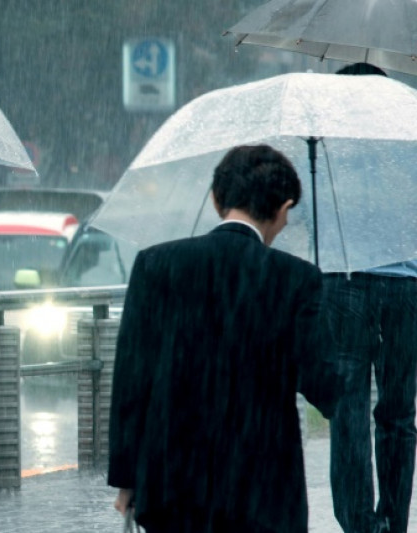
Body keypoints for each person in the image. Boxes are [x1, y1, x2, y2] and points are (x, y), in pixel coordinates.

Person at [107, 144, 342, 533]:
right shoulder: (295, 278)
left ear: (217, 200)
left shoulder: (156, 264)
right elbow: (324, 387)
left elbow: (132, 382)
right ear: (283, 209)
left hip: (173, 484)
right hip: (263, 490)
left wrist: (127, 478)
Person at [325, 62, 417, 533]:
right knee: (399, 413)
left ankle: (361, 523)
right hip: (407, 288)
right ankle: (394, 521)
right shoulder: (410, 143)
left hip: (344, 285)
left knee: (348, 408)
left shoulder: (326, 147)